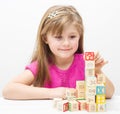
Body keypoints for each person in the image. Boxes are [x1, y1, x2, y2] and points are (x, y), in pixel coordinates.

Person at [2, 5, 114, 100]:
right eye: (58, 37)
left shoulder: (85, 63)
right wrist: (54, 93)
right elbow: (8, 90)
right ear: (45, 38)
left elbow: (109, 93)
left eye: (72, 36)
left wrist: (98, 71)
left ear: (80, 36)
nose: (66, 43)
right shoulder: (41, 66)